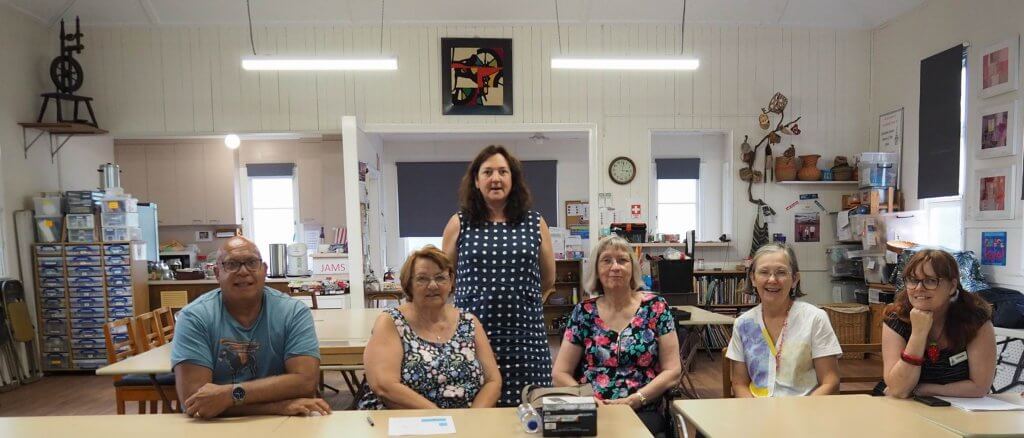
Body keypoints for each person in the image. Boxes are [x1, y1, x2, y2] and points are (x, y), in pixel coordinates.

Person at [442, 145, 556, 407]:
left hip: (526, 339)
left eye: (503, 171)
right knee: (476, 410)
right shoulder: (459, 222)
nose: (496, 178)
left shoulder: (535, 222)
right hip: (473, 336)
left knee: (529, 412)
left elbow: (548, 279)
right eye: (488, 172)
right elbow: (444, 277)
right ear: (476, 180)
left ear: (513, 179)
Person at [172, 237, 329, 418]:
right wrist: (278, 406)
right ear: (217, 273)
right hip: (216, 429)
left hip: (284, 426)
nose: (243, 271)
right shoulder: (194, 317)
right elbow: (195, 402)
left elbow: (306, 382)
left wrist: (229, 395)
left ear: (264, 270)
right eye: (232, 264)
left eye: (252, 263)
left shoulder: (293, 312)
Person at [552, 236, 681, 436]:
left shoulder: (656, 307)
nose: (615, 267)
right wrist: (586, 399)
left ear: (632, 269)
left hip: (642, 408)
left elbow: (672, 371)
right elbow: (560, 373)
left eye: (622, 260)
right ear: (596, 269)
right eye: (606, 260)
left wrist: (637, 398)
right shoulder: (583, 312)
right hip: (592, 409)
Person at [359, 245, 502, 409]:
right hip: (406, 422)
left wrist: (473, 419)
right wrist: (441, 419)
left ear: (451, 282)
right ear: (409, 284)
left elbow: (493, 381)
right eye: (422, 278)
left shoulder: (469, 321)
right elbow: (384, 385)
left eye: (440, 278)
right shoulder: (391, 322)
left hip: (466, 424)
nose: (433, 285)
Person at [726, 243, 842, 397]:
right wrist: (754, 415)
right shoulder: (743, 324)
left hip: (804, 413)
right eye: (764, 272)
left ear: (794, 279)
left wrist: (800, 416)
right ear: (753, 279)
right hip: (758, 414)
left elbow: (830, 382)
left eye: (781, 272)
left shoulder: (815, 319)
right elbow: (739, 384)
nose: (772, 280)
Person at [878, 249, 996, 398]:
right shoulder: (896, 318)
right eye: (913, 280)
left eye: (930, 281)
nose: (919, 288)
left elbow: (979, 387)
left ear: (952, 287)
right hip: (900, 408)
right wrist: (918, 334)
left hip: (954, 410)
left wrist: (923, 390)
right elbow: (898, 390)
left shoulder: (975, 320)